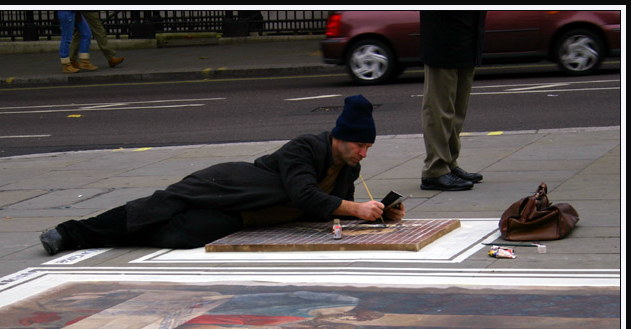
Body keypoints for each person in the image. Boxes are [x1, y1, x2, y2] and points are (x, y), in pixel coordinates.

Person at [40, 94, 406, 255]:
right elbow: (304, 195)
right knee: (156, 208)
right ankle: (70, 233)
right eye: (360, 145)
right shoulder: (306, 147)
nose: (364, 153)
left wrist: (378, 214)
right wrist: (355, 209)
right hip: (225, 187)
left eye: (367, 148)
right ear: (341, 136)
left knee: (185, 235)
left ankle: (114, 238)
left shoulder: (347, 167)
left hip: (242, 214)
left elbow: (327, 208)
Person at [419, 11, 487, 191]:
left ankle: (449, 162)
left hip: (467, 35)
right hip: (443, 36)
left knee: (457, 109)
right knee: (439, 109)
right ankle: (435, 169)